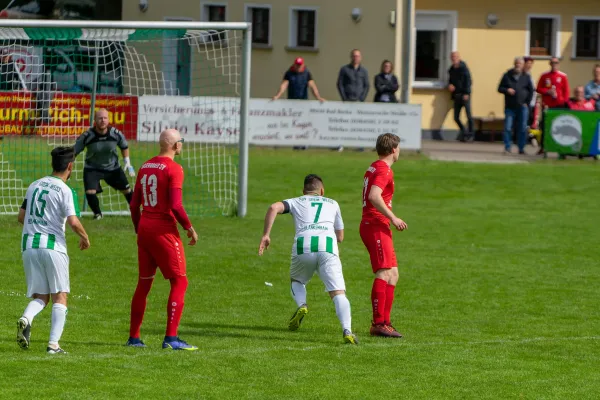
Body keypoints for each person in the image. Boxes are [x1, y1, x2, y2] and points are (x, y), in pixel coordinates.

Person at [258, 174, 358, 344]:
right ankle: (347, 330)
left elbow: (273, 207)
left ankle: (302, 305)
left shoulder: (297, 201)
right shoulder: (333, 203)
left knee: (297, 280)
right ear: (322, 191)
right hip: (327, 247)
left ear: (304, 191)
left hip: (303, 246)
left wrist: (266, 235)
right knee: (338, 292)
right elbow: (340, 237)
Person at [126, 129, 199, 351]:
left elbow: (133, 204)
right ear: (176, 146)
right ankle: (171, 338)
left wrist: (139, 229)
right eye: (181, 142)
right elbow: (176, 205)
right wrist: (189, 227)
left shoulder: (145, 165)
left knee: (144, 283)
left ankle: (134, 338)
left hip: (146, 228)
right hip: (163, 230)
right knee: (180, 282)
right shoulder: (174, 169)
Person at [16, 146, 90, 354]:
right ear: (69, 166)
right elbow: (74, 222)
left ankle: (26, 318)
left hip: (29, 246)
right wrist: (85, 237)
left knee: (41, 296)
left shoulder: (34, 185)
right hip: (53, 247)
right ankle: (53, 345)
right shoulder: (66, 190)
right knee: (60, 295)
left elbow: (21, 217)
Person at [360, 133, 407, 338]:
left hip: (379, 225)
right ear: (394, 149)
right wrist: (393, 217)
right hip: (375, 224)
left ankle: (386, 322)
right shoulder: (383, 170)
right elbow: (373, 196)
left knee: (393, 274)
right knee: (384, 272)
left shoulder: (375, 166)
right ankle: (378, 323)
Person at [74, 108, 136, 220]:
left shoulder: (116, 134)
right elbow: (75, 151)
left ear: (108, 120)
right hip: (92, 168)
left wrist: (127, 161)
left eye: (105, 118)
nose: (103, 120)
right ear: (95, 120)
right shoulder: (87, 136)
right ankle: (98, 214)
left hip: (113, 168)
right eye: (100, 118)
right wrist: (68, 164)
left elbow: (124, 146)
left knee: (126, 190)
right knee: (90, 191)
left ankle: (135, 211)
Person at [497, 57, 534, 154]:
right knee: (508, 127)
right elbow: (499, 88)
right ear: (514, 64)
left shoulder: (526, 76)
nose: (518, 65)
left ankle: (521, 148)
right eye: (516, 63)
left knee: (522, 128)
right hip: (510, 106)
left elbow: (531, 91)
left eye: (520, 64)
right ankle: (507, 147)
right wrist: (507, 90)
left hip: (522, 107)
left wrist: (527, 103)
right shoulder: (507, 75)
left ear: (522, 65)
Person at [536, 57, 570, 154]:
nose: (554, 64)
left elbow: (566, 91)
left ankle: (561, 148)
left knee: (560, 126)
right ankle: (543, 147)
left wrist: (564, 102)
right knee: (545, 126)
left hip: (559, 105)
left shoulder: (563, 76)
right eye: (552, 63)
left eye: (556, 63)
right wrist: (547, 91)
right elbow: (538, 89)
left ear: (558, 64)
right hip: (547, 105)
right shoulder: (544, 76)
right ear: (550, 64)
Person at [448, 51, 473, 142]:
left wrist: (467, 93)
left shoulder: (464, 68)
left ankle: (471, 135)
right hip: (456, 95)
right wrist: (450, 85)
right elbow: (450, 80)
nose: (454, 58)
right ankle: (465, 132)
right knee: (456, 117)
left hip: (464, 95)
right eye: (452, 57)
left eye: (455, 57)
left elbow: (469, 81)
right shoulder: (451, 69)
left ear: (459, 57)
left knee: (469, 116)